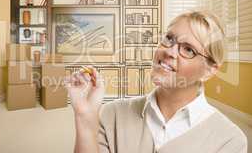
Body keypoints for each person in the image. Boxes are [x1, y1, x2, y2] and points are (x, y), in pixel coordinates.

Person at [65, 11, 248, 153]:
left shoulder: (229, 139)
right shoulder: (113, 113)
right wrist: (85, 117)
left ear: (209, 70)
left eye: (189, 50)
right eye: (169, 39)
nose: (169, 52)